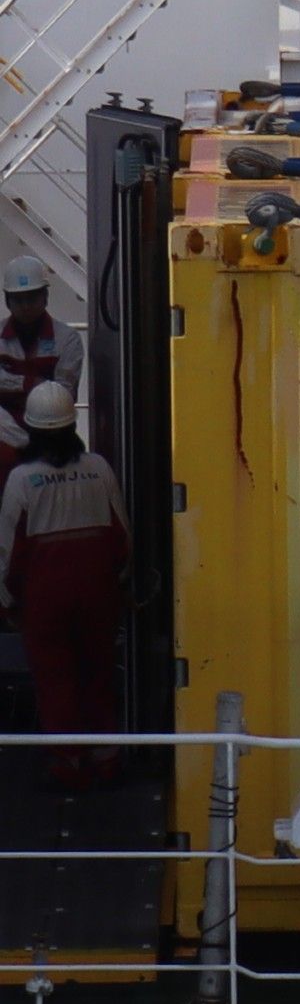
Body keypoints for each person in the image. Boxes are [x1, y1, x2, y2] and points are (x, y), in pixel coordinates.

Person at [0, 382, 129, 788]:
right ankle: (106, 761)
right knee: (98, 676)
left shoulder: (22, 480)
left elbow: (6, 556)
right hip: (98, 596)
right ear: (73, 425)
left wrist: (7, 605)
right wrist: (118, 586)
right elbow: (123, 540)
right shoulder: (99, 468)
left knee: (56, 682)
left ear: (32, 430)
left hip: (44, 604)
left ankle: (68, 767)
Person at [0, 256, 84, 483]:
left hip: (53, 434)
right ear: (8, 301)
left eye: (32, 297)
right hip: (6, 435)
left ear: (45, 297)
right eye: (19, 299)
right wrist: (31, 384)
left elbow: (62, 396)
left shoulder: (68, 340)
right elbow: (51, 390)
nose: (26, 305)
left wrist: (11, 386)